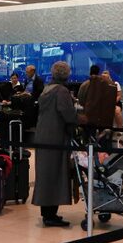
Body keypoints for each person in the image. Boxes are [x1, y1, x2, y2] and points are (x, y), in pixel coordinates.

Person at [31, 61, 79, 227]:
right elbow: (68, 115)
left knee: (45, 175)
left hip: (42, 135)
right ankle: (50, 215)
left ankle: (47, 213)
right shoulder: (61, 91)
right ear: (66, 74)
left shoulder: (46, 89)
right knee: (55, 174)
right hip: (55, 137)